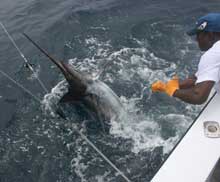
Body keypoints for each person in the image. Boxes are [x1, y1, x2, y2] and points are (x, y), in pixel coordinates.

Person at [151, 13, 220, 105]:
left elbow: (198, 97)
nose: (196, 39)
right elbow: (198, 77)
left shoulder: (212, 54)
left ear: (210, 35)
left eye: (199, 35)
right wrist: (174, 85)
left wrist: (172, 91)